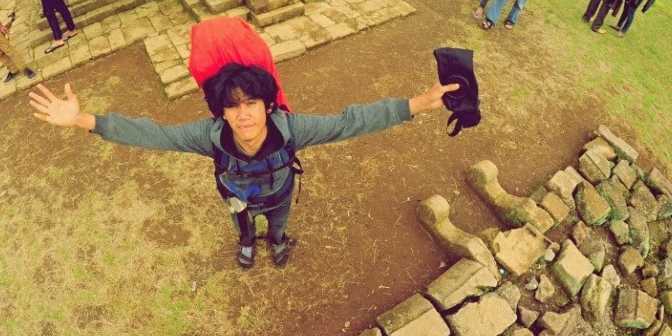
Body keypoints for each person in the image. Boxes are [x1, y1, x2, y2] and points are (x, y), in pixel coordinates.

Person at [28, 64, 458, 269]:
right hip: (236, 196)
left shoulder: (292, 130)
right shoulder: (209, 137)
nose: (244, 115)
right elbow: (153, 134)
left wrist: (418, 104)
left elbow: (350, 122)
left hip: (281, 193)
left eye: (251, 103)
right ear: (221, 113)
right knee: (242, 225)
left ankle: (278, 241)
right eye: (232, 107)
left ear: (267, 104)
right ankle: (247, 243)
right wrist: (85, 120)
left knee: (279, 221)